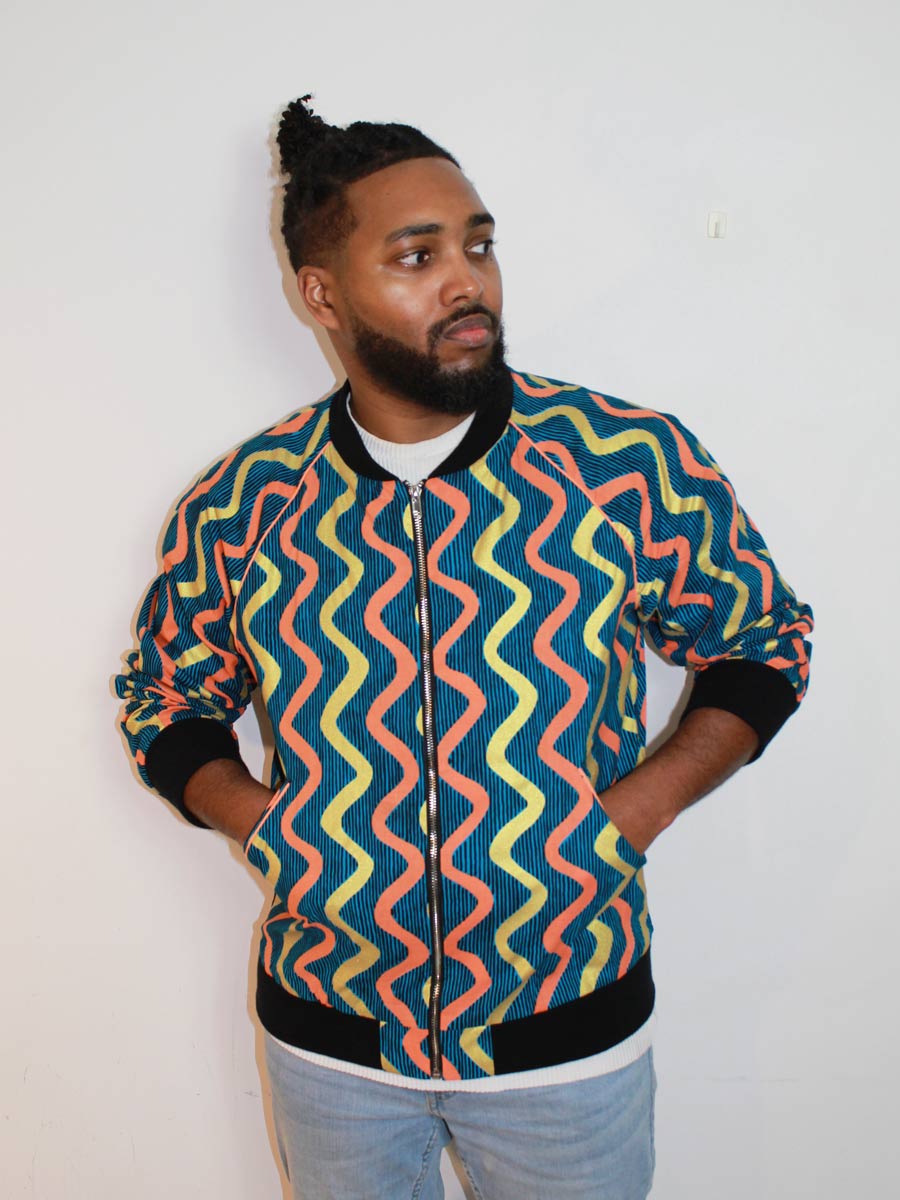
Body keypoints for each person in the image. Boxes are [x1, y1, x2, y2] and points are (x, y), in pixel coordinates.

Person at [116, 95, 814, 1200]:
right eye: (417, 256)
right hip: (329, 1043)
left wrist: (634, 812)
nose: (467, 283)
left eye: (478, 246)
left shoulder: (618, 462)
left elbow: (762, 644)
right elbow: (165, 696)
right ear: (321, 294)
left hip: (566, 1037)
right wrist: (268, 827)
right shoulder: (247, 502)